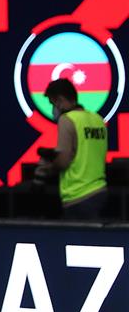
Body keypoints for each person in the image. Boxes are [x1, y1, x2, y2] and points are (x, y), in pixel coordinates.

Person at [37, 77, 109, 220]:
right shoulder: (98, 119)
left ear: (60, 100)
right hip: (100, 191)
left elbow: (63, 161)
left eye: (52, 103)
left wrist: (46, 169)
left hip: (78, 195)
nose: (53, 109)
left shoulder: (67, 120)